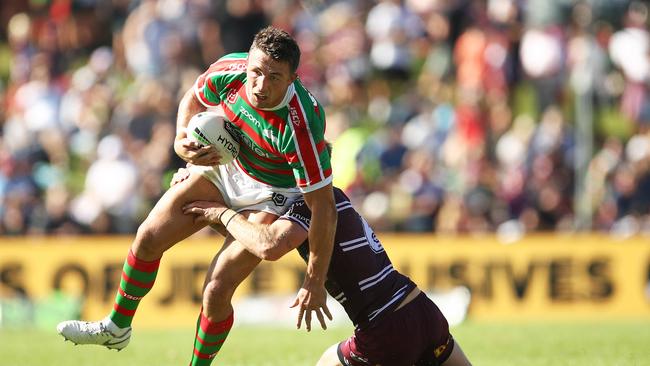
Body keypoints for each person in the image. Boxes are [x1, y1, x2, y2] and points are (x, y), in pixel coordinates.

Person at [57, 26, 338, 365]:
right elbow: (194, 98)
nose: (261, 86)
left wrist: (314, 281)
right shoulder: (229, 70)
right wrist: (180, 140)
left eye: (275, 78)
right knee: (148, 235)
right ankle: (117, 326)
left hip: (274, 195)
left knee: (217, 289)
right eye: (257, 72)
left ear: (293, 78)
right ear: (247, 62)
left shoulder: (301, 124)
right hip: (228, 168)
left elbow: (324, 207)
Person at [181, 180, 472, 366]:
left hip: (385, 327)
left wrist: (221, 212)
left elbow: (268, 245)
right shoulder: (331, 196)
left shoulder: (312, 204)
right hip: (423, 310)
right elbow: (253, 238)